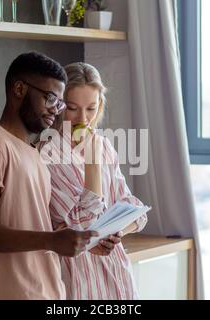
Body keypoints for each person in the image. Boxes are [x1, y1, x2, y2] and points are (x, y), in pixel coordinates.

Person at [0, 52, 97, 300]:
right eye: (50, 98)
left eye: (59, 103)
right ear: (19, 89)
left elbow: (32, 224)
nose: (56, 110)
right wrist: (51, 241)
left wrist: (79, 240)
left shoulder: (34, 153)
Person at [40, 62, 148, 300]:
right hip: (80, 281)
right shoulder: (48, 153)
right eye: (73, 108)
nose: (83, 119)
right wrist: (92, 161)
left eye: (91, 108)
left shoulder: (104, 145)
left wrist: (117, 232)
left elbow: (135, 209)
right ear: (59, 106)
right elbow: (86, 223)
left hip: (118, 276)